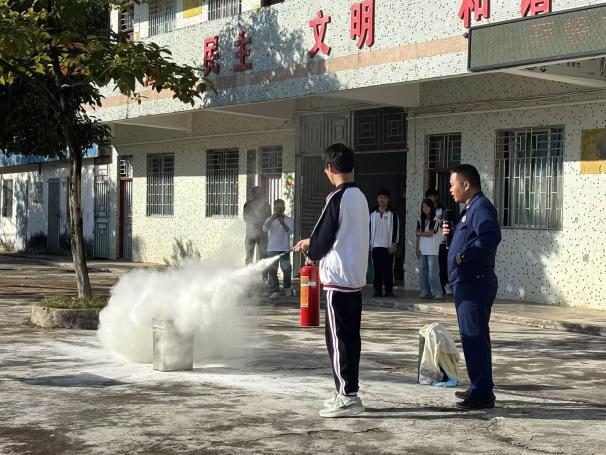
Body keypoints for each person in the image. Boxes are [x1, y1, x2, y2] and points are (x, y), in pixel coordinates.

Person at [294, 143, 369, 418]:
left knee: (338, 340)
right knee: (350, 338)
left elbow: (323, 238)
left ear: (329, 168)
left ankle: (347, 396)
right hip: (355, 278)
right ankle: (347, 391)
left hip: (338, 280)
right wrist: (312, 243)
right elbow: (340, 234)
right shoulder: (360, 196)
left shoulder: (336, 197)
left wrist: (311, 250)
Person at [442, 164, 501, 410]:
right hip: (466, 283)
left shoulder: (481, 207)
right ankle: (478, 385)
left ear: (466, 184)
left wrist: (463, 256)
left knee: (475, 338)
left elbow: (490, 236)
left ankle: (482, 394)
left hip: (474, 282)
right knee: (471, 338)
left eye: (452, 184)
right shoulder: (470, 209)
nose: (450, 189)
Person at [369, 189, 400, 297]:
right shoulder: (372, 213)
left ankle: (389, 291)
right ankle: (377, 290)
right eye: (380, 197)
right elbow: (368, 229)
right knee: (376, 270)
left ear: (388, 200)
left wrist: (394, 244)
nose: (382, 199)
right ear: (377, 199)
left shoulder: (393, 213)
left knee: (388, 270)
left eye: (385, 198)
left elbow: (396, 229)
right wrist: (369, 244)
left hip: (388, 247)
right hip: (375, 246)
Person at [263, 199, 294, 299]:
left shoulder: (289, 219)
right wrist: (272, 218)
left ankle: (287, 288)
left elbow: (290, 232)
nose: (279, 209)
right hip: (272, 249)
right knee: (272, 271)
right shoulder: (269, 219)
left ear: (284, 208)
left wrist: (282, 222)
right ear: (274, 208)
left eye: (281, 207)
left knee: (287, 269)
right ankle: (275, 290)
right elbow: (264, 229)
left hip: (284, 248)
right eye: (277, 207)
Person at [425, 188, 451, 295]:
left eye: (431, 196)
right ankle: (435, 287)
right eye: (428, 197)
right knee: (433, 267)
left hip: (442, 242)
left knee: (443, 265)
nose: (430, 199)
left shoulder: (443, 209)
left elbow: (447, 223)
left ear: (436, 197)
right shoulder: (427, 210)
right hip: (431, 242)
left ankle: (446, 285)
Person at [415, 198, 443, 299]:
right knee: (422, 272)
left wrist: (419, 233)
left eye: (427, 206)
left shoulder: (436, 219)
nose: (425, 208)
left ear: (431, 207)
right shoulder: (419, 219)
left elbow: (431, 233)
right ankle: (425, 291)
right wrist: (417, 247)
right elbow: (417, 236)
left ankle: (437, 291)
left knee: (433, 272)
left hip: (432, 249)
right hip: (422, 249)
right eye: (423, 207)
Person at [243, 186, 271, 279]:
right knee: (261, 255)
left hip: (254, 233)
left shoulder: (248, 204)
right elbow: (268, 218)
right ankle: (263, 276)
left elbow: (245, 219)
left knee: (252, 255)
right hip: (256, 233)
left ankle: (255, 276)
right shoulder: (265, 205)